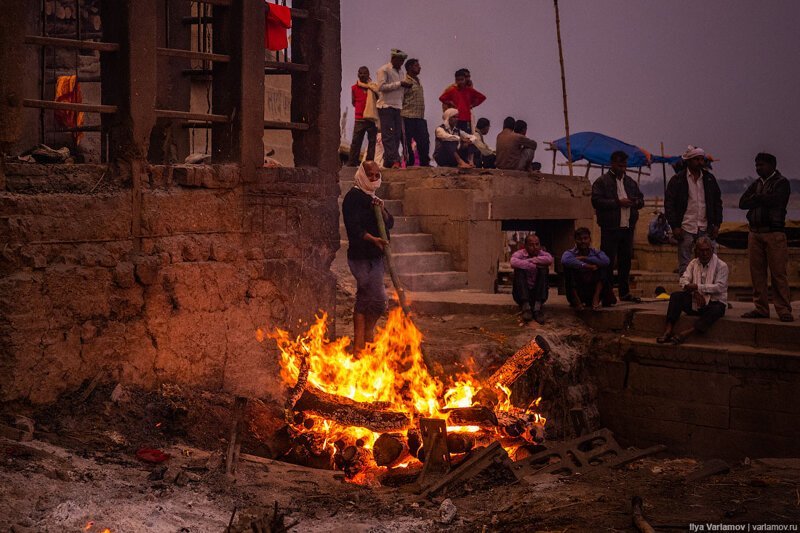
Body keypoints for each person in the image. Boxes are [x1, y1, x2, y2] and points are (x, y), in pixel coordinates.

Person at [341, 161, 395, 351]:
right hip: (360, 257)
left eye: (376, 175)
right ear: (362, 175)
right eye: (370, 175)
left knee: (370, 300)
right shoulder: (352, 198)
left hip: (376, 257)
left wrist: (382, 210)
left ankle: (363, 339)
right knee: (375, 298)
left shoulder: (373, 197)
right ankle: (362, 340)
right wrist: (374, 239)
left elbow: (389, 223)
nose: (373, 179)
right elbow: (354, 228)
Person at [739, 152, 793, 322]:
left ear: (772, 166)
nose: (758, 168)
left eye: (761, 165)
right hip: (755, 233)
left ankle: (783, 309)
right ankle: (761, 308)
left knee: (778, 274)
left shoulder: (782, 183)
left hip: (774, 233)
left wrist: (756, 198)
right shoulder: (756, 184)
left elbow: (776, 200)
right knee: (757, 274)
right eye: (756, 165)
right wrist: (759, 199)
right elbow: (742, 203)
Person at [591, 150, 645, 302]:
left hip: (627, 228)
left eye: (624, 165)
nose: (623, 168)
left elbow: (641, 200)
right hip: (610, 228)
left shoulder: (630, 182)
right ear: (612, 164)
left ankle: (624, 292)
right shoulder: (602, 181)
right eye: (620, 165)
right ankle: (607, 294)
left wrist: (634, 202)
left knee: (625, 262)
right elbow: (596, 201)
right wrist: (617, 202)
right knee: (607, 262)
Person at [657, 237, 728, 344]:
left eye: (707, 250)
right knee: (676, 296)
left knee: (718, 309)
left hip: (712, 303)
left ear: (712, 250)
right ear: (696, 251)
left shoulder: (722, 266)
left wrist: (697, 287)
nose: (704, 254)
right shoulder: (693, 263)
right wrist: (695, 292)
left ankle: (687, 333)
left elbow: (719, 287)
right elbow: (683, 280)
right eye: (701, 250)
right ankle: (668, 330)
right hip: (696, 302)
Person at [664, 146, 723, 275]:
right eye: (696, 159)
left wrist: (717, 224)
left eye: (702, 159)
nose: (700, 162)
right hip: (686, 227)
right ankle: (687, 292)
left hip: (705, 227)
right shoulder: (678, 180)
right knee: (685, 265)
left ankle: (707, 292)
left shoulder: (709, 179)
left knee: (711, 263)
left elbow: (717, 202)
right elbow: (669, 204)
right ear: (689, 161)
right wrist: (675, 226)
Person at [561, 227, 616, 310]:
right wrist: (587, 266)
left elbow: (606, 261)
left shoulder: (596, 252)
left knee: (603, 267)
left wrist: (584, 258)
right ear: (575, 241)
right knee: (568, 268)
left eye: (585, 238)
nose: (583, 241)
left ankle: (596, 298)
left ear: (590, 239)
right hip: (578, 290)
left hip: (593, 290)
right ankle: (577, 301)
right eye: (579, 239)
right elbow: (565, 260)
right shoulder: (570, 253)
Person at [376, 49, 412, 168]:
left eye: (403, 61)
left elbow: (400, 90)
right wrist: (399, 84)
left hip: (397, 106)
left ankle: (388, 161)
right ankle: (394, 160)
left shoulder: (401, 73)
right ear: (393, 59)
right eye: (400, 60)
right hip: (386, 106)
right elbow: (380, 87)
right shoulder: (384, 70)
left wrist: (406, 87)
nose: (401, 63)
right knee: (388, 134)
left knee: (397, 134)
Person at [510, 234, 553, 324]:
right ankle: (526, 308)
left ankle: (537, 309)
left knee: (543, 270)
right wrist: (532, 265)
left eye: (537, 244)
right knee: (519, 270)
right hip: (521, 294)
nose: (535, 247)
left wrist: (532, 260)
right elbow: (513, 262)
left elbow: (549, 259)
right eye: (531, 245)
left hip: (537, 293)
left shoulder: (542, 253)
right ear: (525, 246)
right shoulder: (520, 253)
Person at [347, 66, 379, 166]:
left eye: (365, 73)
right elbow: (353, 102)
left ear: (369, 74)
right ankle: (352, 163)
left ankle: (369, 163)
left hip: (371, 119)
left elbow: (378, 100)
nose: (363, 75)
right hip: (359, 119)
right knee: (356, 142)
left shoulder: (374, 88)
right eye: (361, 73)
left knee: (372, 142)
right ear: (358, 74)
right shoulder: (354, 88)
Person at [401, 58, 430, 167]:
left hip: (419, 117)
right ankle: (409, 163)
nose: (419, 67)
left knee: (424, 140)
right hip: (407, 116)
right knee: (407, 142)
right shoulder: (405, 81)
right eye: (416, 65)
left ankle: (424, 163)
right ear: (409, 67)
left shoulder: (418, 81)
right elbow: (401, 98)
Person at [438, 68, 486, 133]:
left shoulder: (469, 90)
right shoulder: (452, 89)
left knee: (467, 136)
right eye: (458, 80)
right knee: (456, 135)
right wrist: (450, 104)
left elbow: (482, 97)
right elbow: (442, 98)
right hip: (456, 117)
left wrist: (472, 105)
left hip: (466, 118)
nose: (460, 82)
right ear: (456, 80)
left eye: (462, 79)